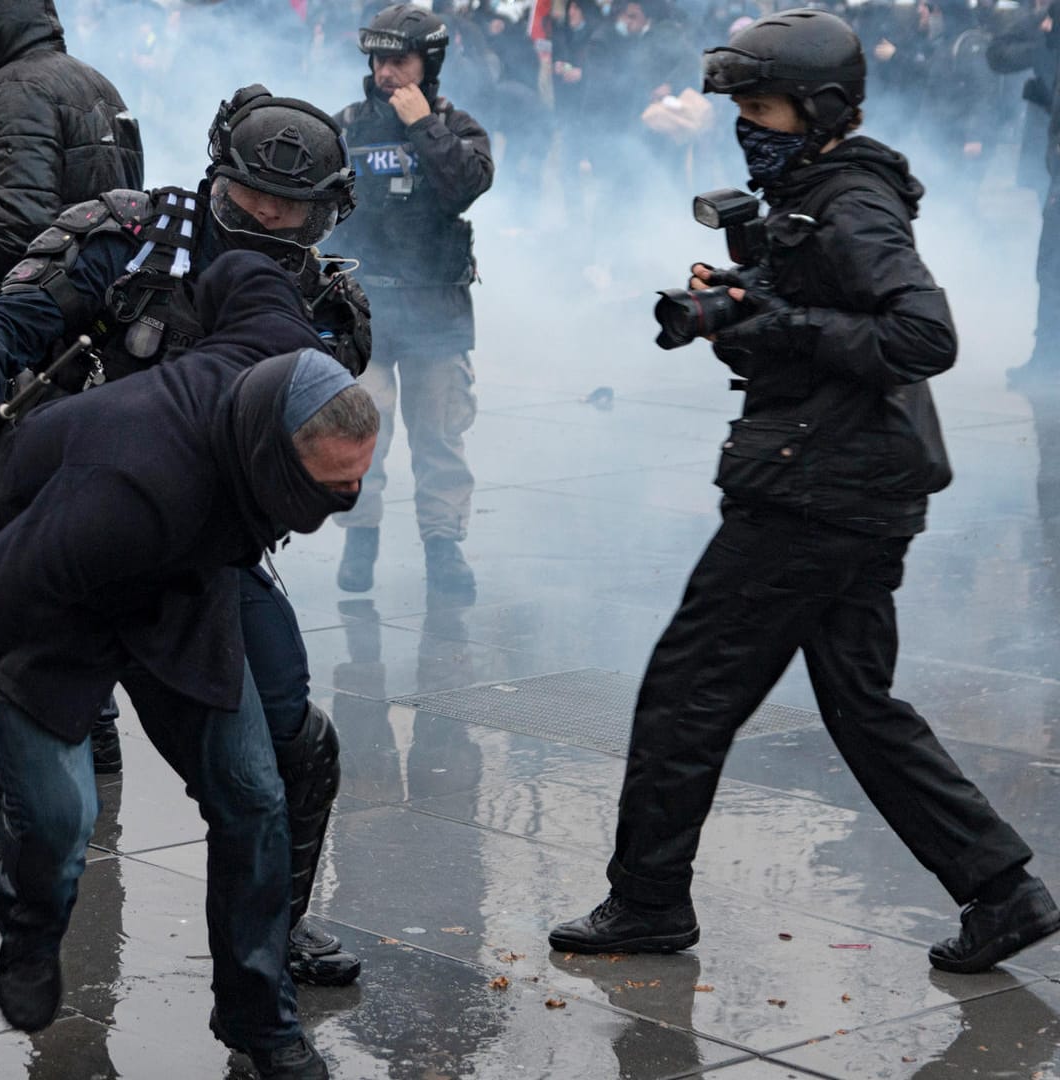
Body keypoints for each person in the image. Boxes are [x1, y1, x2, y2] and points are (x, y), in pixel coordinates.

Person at [550, 10, 1060, 974]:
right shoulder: (819, 189)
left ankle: (649, 901)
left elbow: (922, 338)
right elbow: (827, 320)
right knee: (861, 704)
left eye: (764, 107)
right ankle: (1003, 893)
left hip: (818, 491)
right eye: (741, 107)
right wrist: (746, 301)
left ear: (818, 109)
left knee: (685, 693)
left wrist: (783, 324)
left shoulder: (851, 200)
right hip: (852, 481)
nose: (749, 124)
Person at [0, 84, 370, 1048]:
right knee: (17, 730)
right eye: (249, 202)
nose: (268, 224)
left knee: (291, 741)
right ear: (213, 180)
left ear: (326, 211)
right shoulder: (129, 237)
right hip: (73, 530)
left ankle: (271, 926)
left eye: (291, 211)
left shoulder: (329, 305)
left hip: (200, 563)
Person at [331, 2, 494, 597]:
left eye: (399, 61)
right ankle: (361, 535)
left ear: (429, 64)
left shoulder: (459, 127)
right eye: (377, 61)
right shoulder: (345, 126)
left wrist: (425, 126)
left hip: (435, 310)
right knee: (360, 430)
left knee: (441, 436)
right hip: (363, 309)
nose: (385, 74)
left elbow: (465, 188)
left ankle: (444, 548)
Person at [0, 0, 142, 379]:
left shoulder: (16, 91)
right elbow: (97, 202)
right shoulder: (94, 80)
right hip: (103, 316)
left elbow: (20, 226)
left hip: (44, 329)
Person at [987, 6, 1060, 384]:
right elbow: (998, 54)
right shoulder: (1044, 39)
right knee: (1050, 268)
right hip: (1052, 174)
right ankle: (1046, 355)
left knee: (1052, 268)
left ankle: (1048, 358)